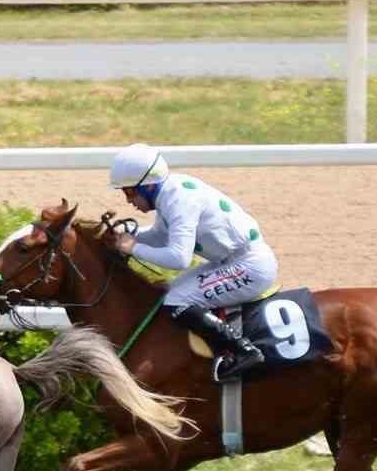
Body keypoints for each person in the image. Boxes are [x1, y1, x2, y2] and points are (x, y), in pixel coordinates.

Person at [107, 143, 277, 382]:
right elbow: (160, 236)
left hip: (250, 266)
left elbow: (178, 258)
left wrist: (133, 247)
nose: (128, 201)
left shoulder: (178, 200)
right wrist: (129, 235)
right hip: (233, 261)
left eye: (130, 192)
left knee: (177, 300)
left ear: (149, 186)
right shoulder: (170, 192)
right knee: (171, 292)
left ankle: (243, 351)